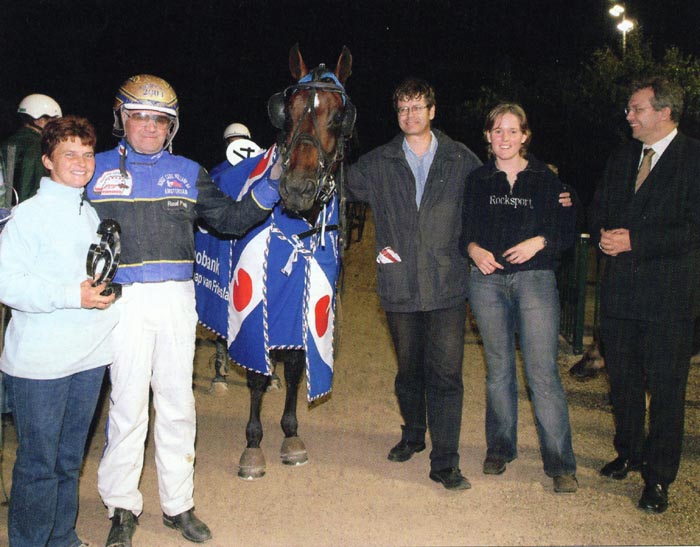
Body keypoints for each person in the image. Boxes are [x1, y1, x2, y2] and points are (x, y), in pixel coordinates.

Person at [86, 74, 281, 546]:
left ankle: (178, 505)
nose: (149, 127)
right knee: (127, 406)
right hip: (122, 303)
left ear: (171, 126)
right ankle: (121, 507)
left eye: (160, 119)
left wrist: (273, 184)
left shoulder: (190, 172)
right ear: (121, 118)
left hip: (176, 300)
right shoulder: (92, 169)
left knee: (177, 405)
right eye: (139, 117)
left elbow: (231, 219)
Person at [346, 78, 481, 490]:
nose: (410, 115)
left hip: (446, 285)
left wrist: (553, 195)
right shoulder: (378, 162)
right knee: (408, 370)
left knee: (446, 374)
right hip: (400, 283)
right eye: (403, 108)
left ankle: (445, 461)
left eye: (417, 107)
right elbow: (334, 182)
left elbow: (494, 194)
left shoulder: (461, 159)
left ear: (432, 111)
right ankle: (413, 434)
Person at [0, 116, 118, 547]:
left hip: (89, 359)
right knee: (38, 465)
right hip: (41, 365)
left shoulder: (91, 213)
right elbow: (6, 283)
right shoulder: (28, 216)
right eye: (69, 154)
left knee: (69, 461)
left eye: (87, 154)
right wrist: (73, 295)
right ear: (48, 160)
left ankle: (62, 537)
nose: (81, 162)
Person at [591, 77, 700, 513]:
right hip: (620, 295)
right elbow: (600, 205)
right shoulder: (622, 156)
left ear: (665, 112)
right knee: (623, 383)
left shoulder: (694, 158)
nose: (629, 116)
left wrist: (636, 241)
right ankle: (629, 452)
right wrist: (603, 232)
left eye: (637, 109)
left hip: (668, 299)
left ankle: (658, 477)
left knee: (667, 392)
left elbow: (693, 229)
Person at [460, 103, 578, 493]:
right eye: (497, 130)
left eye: (512, 131)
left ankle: (560, 462)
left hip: (535, 282)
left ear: (525, 135)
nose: (504, 138)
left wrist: (538, 242)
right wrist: (474, 250)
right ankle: (500, 447)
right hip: (488, 284)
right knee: (498, 370)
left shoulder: (547, 180)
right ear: (488, 136)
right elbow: (465, 232)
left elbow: (566, 231)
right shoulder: (477, 180)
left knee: (542, 372)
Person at [1, 94, 62, 204]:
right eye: (52, 121)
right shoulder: (36, 145)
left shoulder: (10, 141)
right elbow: (29, 186)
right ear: (40, 120)